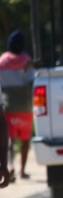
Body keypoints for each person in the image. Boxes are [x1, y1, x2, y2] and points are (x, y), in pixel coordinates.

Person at [0, 30, 35, 181]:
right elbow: (32, 81)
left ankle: (10, 164)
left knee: (10, 139)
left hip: (8, 106)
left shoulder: (2, 61)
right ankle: (22, 171)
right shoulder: (27, 61)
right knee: (25, 140)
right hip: (25, 107)